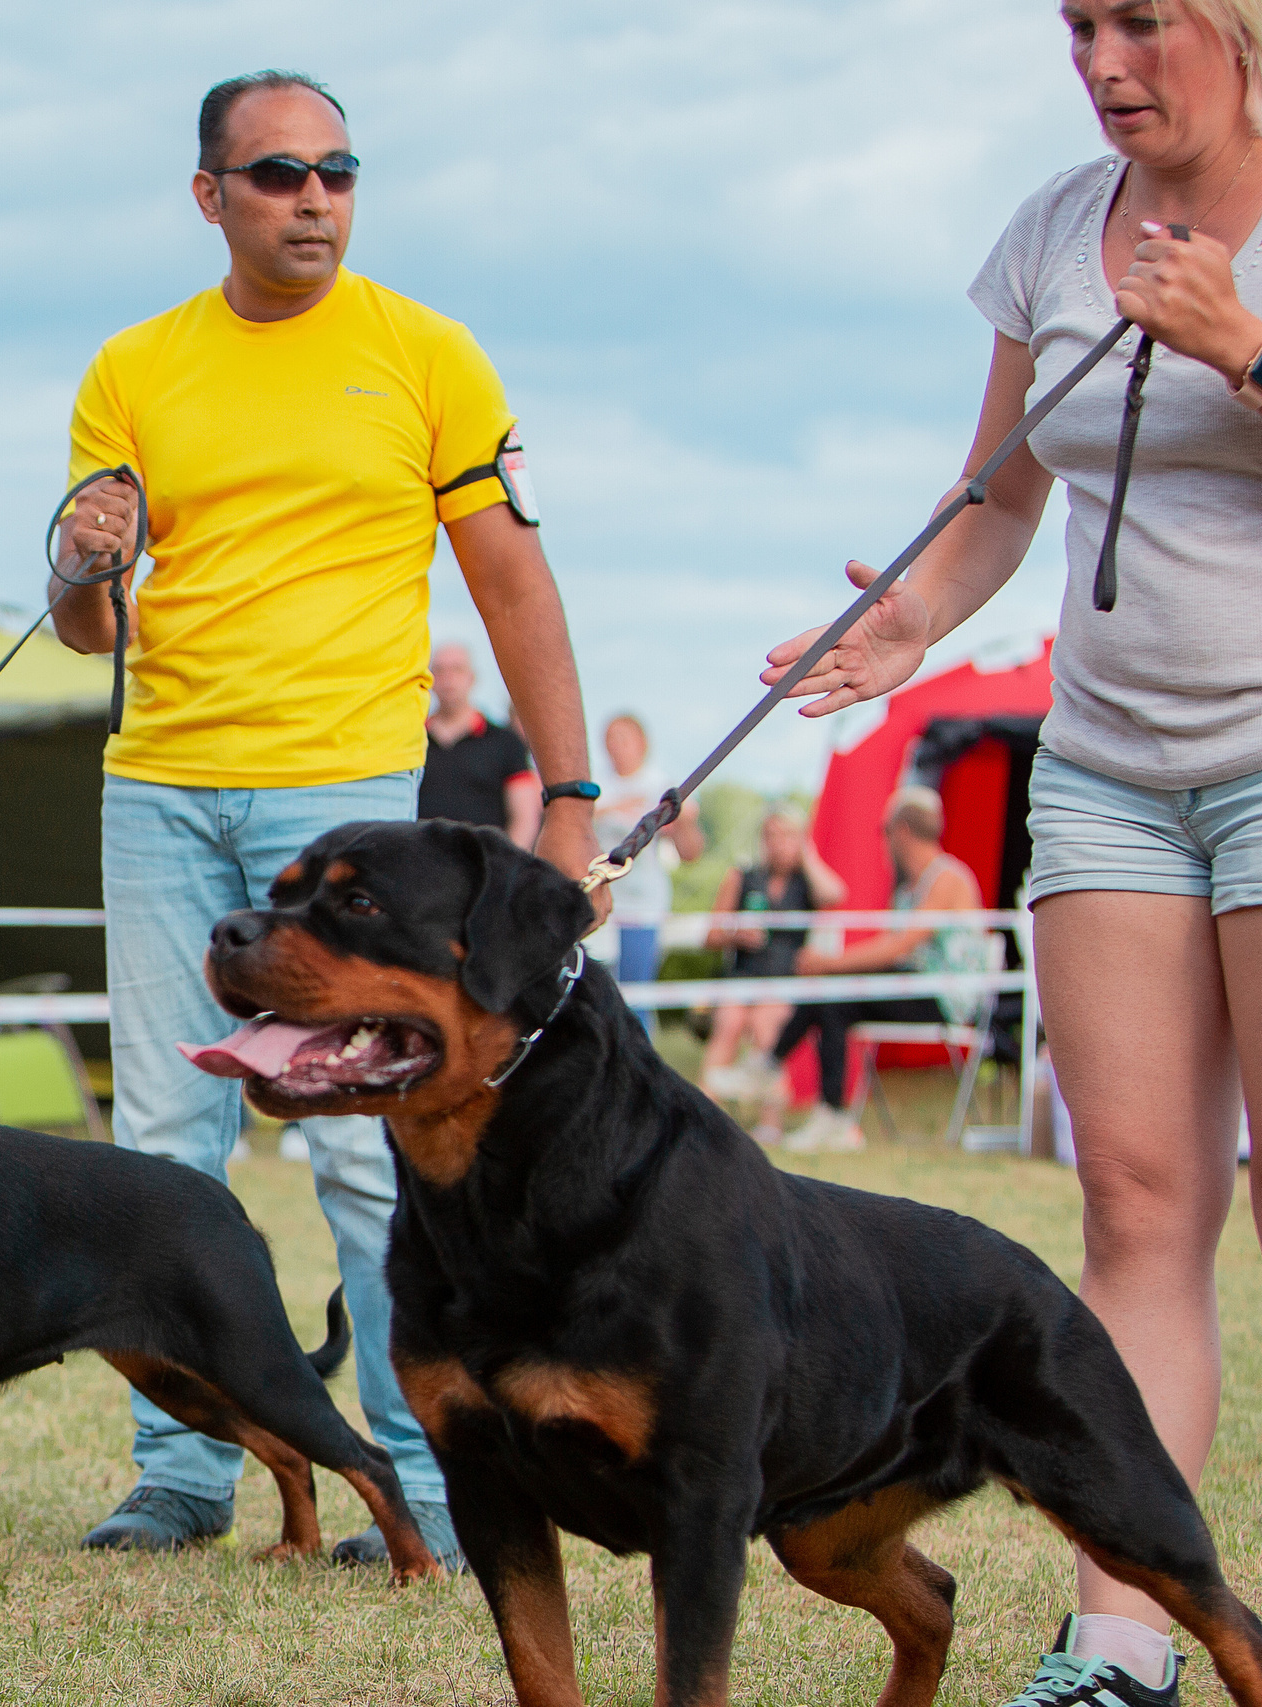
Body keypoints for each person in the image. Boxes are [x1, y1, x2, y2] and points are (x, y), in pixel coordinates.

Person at [51, 68, 606, 1570]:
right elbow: (84, 630)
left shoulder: (426, 353)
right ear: (210, 195)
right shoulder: (132, 368)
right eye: (282, 173)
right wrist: (82, 558)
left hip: (348, 802)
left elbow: (510, 581)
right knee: (169, 1139)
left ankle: (420, 1480)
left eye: (339, 173)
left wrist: (571, 795)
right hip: (158, 786)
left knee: (372, 1147)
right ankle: (181, 1471)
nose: (315, 198)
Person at [764, 4, 1262, 1673]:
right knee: (1132, 1201)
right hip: (1111, 767)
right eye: (1078, 27)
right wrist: (904, 625)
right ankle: (1122, 1644)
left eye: (1143, 22)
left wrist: (1241, 348)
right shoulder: (1053, 228)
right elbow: (999, 494)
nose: (1107, 61)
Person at [765, 788, 984, 1153]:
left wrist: (829, 963)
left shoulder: (947, 879)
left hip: (944, 998)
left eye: (884, 831)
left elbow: (898, 946)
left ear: (901, 831)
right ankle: (819, 1105)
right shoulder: (910, 887)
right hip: (914, 986)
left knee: (836, 994)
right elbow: (892, 952)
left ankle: (779, 1071)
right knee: (835, 1000)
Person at [699, 808, 847, 1144]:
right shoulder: (744, 876)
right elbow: (710, 934)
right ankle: (703, 1116)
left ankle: (770, 1123)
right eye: (772, 836)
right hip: (742, 976)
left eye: (787, 836)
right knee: (729, 1023)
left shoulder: (806, 883)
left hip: (784, 981)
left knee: (767, 1025)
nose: (778, 845)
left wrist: (806, 855)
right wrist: (735, 934)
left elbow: (836, 895)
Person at [590, 714, 706, 1031]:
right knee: (599, 997)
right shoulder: (597, 785)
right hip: (603, 905)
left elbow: (690, 851)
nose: (615, 746)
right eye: (610, 738)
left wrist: (685, 822)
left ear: (641, 743)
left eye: (622, 738)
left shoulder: (660, 785)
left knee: (637, 998)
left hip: (642, 907)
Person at [416, 641, 542, 843]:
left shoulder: (506, 742)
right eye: (439, 670)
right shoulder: (413, 741)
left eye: (457, 669)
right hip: (424, 864)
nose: (448, 679)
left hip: (486, 866)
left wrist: (506, 869)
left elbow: (525, 818)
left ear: (472, 678)